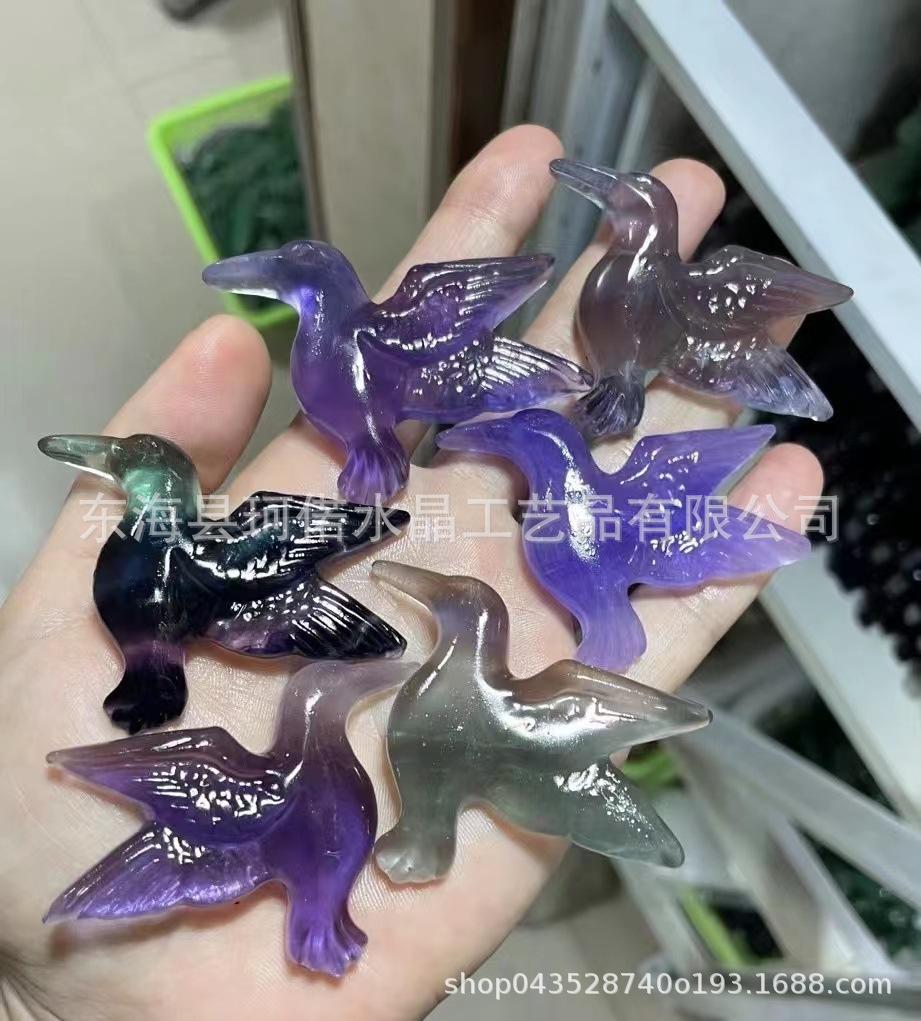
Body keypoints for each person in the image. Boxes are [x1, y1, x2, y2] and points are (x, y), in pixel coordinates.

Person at [0, 126, 820, 1020]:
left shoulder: (398, 716)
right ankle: (353, 855)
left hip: (471, 549)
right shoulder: (351, 756)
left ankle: (355, 877)